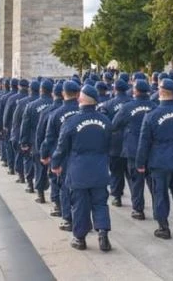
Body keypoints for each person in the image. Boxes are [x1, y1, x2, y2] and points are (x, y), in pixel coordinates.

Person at [51, 84, 112, 252]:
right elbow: (110, 144)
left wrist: (55, 164)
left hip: (78, 170)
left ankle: (80, 238)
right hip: (99, 168)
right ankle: (103, 233)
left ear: (82, 99)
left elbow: (61, 147)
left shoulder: (72, 122)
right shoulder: (105, 121)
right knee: (100, 203)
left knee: (80, 205)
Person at [136, 78, 173, 239]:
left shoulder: (151, 116)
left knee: (160, 194)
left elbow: (144, 142)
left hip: (159, 161)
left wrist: (140, 163)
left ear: (161, 92)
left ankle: (164, 227)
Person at [111, 79, 155, 220]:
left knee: (136, 181)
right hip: (151, 149)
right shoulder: (155, 106)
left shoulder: (127, 107)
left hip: (133, 148)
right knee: (152, 181)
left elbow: (115, 125)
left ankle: (138, 209)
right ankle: (158, 207)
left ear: (135, 91)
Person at [41, 80, 81, 230]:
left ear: (63, 94)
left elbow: (49, 138)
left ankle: (68, 219)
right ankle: (83, 219)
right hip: (79, 155)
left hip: (63, 156)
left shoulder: (55, 114)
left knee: (65, 187)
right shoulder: (82, 111)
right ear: (78, 94)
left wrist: (45, 155)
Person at [99, 79, 130, 207]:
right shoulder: (132, 103)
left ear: (114, 89)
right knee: (132, 175)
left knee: (116, 172)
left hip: (115, 142)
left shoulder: (107, 104)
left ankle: (117, 196)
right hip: (130, 141)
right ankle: (137, 200)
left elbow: (106, 125)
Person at [20, 79, 54, 195]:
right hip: (54, 141)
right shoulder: (55, 104)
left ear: (41, 90)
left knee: (39, 167)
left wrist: (24, 142)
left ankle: (40, 193)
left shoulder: (31, 106)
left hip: (36, 139)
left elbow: (25, 125)